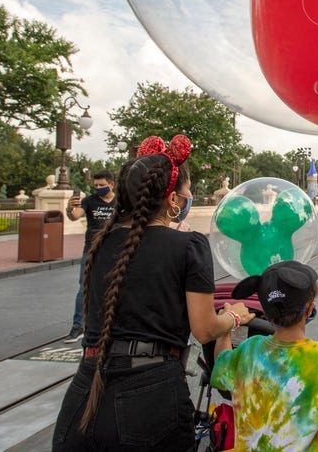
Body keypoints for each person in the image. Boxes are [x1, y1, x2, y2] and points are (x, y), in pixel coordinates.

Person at [52, 135, 255, 451]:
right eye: (187, 192)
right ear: (173, 199)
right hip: (149, 399)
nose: (189, 197)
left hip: (83, 397)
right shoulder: (189, 245)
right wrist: (233, 317)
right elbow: (203, 329)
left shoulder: (100, 243)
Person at [211, 260, 318, 450]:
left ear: (266, 314)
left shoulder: (248, 349)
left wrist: (225, 327)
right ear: (310, 309)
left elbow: (221, 366)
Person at [62, 170, 117, 343]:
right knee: (84, 288)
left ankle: (111, 324)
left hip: (114, 249)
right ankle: (78, 326)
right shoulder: (89, 201)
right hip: (91, 250)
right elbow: (74, 216)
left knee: (114, 286)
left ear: (111, 184)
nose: (98, 188)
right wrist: (70, 207)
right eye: (96, 186)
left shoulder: (120, 202)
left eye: (102, 185)